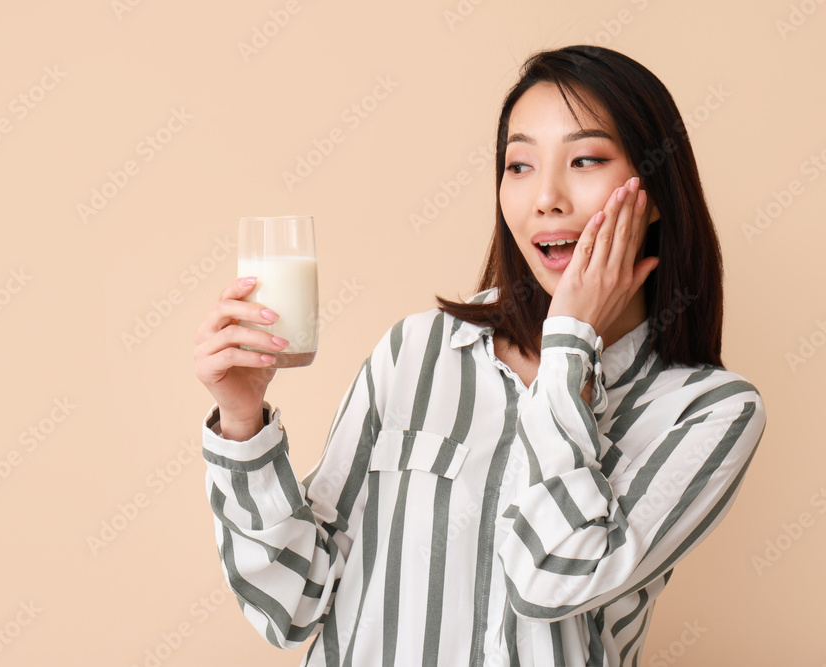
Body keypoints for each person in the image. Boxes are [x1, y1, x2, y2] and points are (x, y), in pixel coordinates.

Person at [193, 45, 767, 667]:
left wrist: (570, 342)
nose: (545, 197)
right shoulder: (415, 351)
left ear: (655, 194)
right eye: (519, 166)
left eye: (585, 159)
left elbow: (553, 576)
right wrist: (243, 422)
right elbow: (293, 606)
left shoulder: (708, 411)